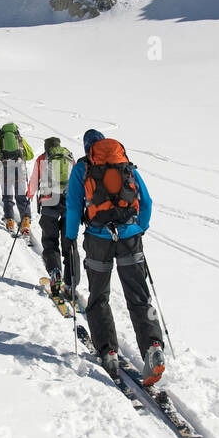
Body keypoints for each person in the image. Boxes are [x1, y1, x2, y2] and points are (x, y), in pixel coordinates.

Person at [65, 129, 165, 386]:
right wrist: (139, 227)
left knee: (99, 296)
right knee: (139, 297)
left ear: (88, 147)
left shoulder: (82, 168)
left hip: (98, 239)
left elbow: (74, 206)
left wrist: (70, 236)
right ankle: (153, 348)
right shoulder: (125, 164)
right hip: (130, 237)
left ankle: (108, 352)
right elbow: (148, 201)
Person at [27, 136, 79, 297]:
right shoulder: (69, 157)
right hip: (69, 204)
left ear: (46, 147)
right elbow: (78, 181)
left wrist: (29, 194)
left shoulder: (42, 159)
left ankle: (55, 272)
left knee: (50, 240)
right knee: (70, 243)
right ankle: (71, 283)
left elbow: (34, 183)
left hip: (49, 202)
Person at [0, 123, 35, 233]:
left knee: (7, 196)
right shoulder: (19, 139)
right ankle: (26, 221)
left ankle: (10, 221)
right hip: (20, 169)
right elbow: (31, 155)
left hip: (5, 170)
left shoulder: (0, 141)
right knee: (21, 196)